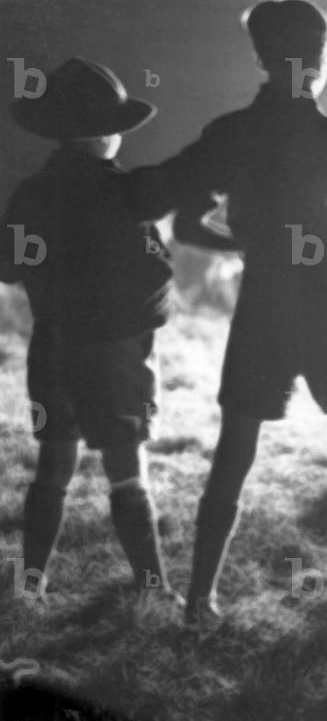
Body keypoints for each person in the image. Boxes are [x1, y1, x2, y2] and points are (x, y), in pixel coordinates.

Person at [129, 0, 327, 624]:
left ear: (259, 58)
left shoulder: (231, 134)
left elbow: (172, 205)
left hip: (265, 301)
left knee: (235, 451)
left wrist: (249, 239)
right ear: (320, 63)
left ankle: (200, 600)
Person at [0, 58, 181, 606]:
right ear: (108, 133)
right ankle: (153, 585)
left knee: (53, 466)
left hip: (53, 344)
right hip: (114, 355)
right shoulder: (126, 195)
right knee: (127, 471)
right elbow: (156, 275)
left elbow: (9, 265)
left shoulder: (32, 193)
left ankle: (32, 580)